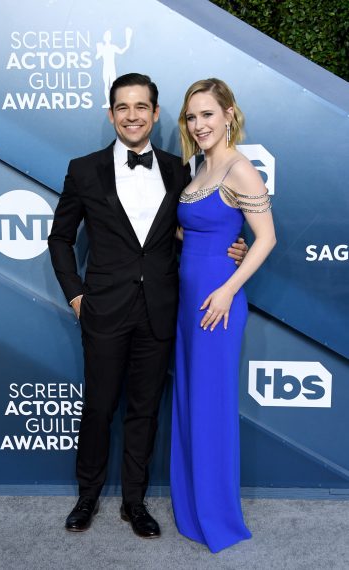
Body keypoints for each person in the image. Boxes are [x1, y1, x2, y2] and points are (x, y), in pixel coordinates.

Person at [48, 73, 248, 538]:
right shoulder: (83, 169)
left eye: (142, 107)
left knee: (144, 410)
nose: (132, 115)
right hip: (103, 307)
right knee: (98, 407)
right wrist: (76, 295)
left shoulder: (181, 169)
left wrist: (229, 250)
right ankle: (87, 496)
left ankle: (135, 502)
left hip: (162, 308)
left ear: (155, 114)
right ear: (111, 114)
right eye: (123, 107)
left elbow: (194, 225)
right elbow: (60, 239)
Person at [171, 78, 276, 553]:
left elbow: (266, 238)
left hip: (218, 304)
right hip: (189, 297)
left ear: (229, 114)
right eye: (192, 117)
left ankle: (217, 515)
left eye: (208, 114)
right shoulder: (197, 169)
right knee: (192, 399)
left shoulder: (240, 168)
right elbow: (194, 230)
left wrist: (228, 290)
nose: (199, 124)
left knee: (211, 404)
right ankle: (194, 507)